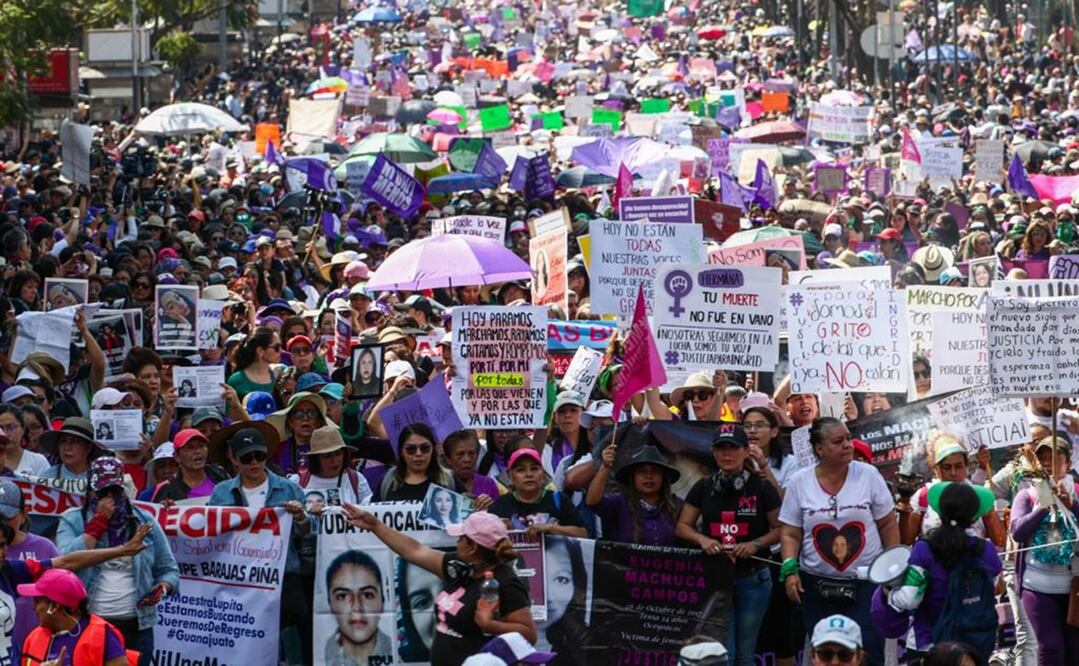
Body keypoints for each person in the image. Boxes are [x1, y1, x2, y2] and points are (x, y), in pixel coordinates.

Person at [342, 508, 535, 666]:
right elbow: (414, 551)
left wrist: (490, 625)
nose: (456, 542)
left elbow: (529, 635)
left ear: (473, 547)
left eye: (461, 538)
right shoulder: (459, 569)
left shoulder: (507, 583)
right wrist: (375, 525)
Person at [779, 418, 899, 666]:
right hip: (815, 586)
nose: (848, 445)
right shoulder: (799, 482)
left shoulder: (868, 474)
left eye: (848, 438)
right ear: (819, 448)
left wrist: (891, 566)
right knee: (827, 654)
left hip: (866, 585)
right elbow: (790, 532)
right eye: (838, 441)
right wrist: (790, 568)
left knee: (867, 651)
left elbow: (887, 523)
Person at [55, 457, 180, 666]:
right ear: (91, 492)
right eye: (103, 493)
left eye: (115, 492)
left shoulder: (145, 521)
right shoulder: (73, 519)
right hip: (89, 624)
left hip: (137, 626)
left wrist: (163, 587)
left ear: (124, 490)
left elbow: (169, 569)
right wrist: (97, 524)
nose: (110, 500)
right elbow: (66, 561)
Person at [676, 424, 780, 666]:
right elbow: (682, 526)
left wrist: (755, 544)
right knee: (724, 653)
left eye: (733, 448)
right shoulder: (703, 486)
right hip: (716, 580)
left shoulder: (762, 487)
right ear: (713, 453)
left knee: (745, 654)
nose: (727, 454)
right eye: (721, 449)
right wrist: (704, 540)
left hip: (753, 580)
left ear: (746, 451)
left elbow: (782, 529)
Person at [207, 425, 312, 660]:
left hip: (283, 578)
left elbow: (309, 533)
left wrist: (300, 518)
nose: (254, 462)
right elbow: (208, 532)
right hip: (240, 581)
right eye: (247, 457)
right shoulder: (221, 493)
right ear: (234, 459)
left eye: (260, 456)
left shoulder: (289, 488)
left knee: (290, 642)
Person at [872, 482, 1003, 660]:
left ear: (940, 513)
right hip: (975, 648)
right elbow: (995, 587)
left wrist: (889, 590)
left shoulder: (924, 549)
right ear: (975, 516)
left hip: (929, 645)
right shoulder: (987, 550)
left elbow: (909, 600)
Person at [1009, 436, 1079, 664]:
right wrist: (1041, 508)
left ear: (1068, 463)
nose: (1048, 463)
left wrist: (1073, 507)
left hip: (1074, 587)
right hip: (1037, 587)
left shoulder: (1077, 492)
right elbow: (1017, 532)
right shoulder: (1026, 495)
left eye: (1055, 458)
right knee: (1051, 649)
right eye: (1043, 458)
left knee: (1074, 652)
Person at [18, 569, 137, 666]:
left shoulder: (102, 636)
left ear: (54, 607)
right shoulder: (33, 637)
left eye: (37, 601)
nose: (33, 607)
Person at [585, 443, 681, 546]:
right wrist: (604, 467)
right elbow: (592, 501)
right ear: (633, 477)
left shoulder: (678, 506)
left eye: (655, 471)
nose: (648, 476)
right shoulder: (619, 503)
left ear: (663, 477)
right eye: (641, 471)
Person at [489, 449, 587, 538]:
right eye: (521, 470)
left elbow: (583, 533)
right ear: (510, 477)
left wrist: (551, 528)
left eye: (534, 468)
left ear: (543, 475)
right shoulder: (500, 505)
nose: (529, 474)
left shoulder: (559, 500)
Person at [323, 550, 393, 666]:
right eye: (343, 596)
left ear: (382, 601)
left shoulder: (402, 654)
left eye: (367, 595)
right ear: (330, 604)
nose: (356, 607)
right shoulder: (319, 654)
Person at [292, 425, 372, 508]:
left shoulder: (357, 479)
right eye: (327, 456)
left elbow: (369, 510)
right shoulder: (297, 482)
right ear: (316, 459)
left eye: (338, 454)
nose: (334, 460)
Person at [375, 424, 453, 502]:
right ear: (401, 451)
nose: (418, 453)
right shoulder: (389, 479)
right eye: (411, 449)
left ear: (433, 449)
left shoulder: (448, 479)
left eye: (425, 448)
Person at [148, 429, 229, 503]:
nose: (197, 451)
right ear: (177, 457)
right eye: (190, 448)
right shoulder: (166, 488)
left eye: (201, 446)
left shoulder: (220, 475)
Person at [442, 430, 498, 509]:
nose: (467, 459)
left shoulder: (488, 484)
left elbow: (500, 517)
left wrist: (491, 507)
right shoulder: (440, 485)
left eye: (471, 454)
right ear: (448, 459)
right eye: (460, 454)